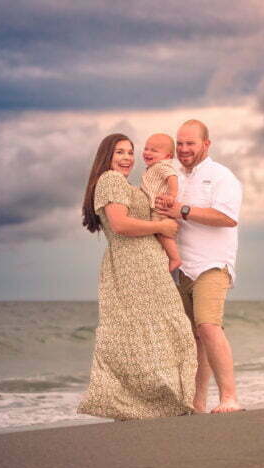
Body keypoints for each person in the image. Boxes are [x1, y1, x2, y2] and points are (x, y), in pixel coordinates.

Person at [77, 133, 197, 420]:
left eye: (130, 152)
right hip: (135, 265)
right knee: (162, 329)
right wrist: (163, 230)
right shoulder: (111, 180)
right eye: (120, 152)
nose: (128, 158)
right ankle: (154, 403)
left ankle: (153, 404)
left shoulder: (123, 184)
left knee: (145, 333)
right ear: (106, 156)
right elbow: (119, 224)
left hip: (142, 263)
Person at [155, 119, 243, 414]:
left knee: (208, 326)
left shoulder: (222, 176)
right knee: (193, 337)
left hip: (213, 264)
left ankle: (229, 397)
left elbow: (227, 217)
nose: (183, 149)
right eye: (179, 143)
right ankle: (197, 402)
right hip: (180, 268)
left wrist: (182, 209)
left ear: (206, 144)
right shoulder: (173, 176)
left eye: (190, 143)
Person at [140, 133, 182, 272]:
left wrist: (172, 195)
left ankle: (175, 258)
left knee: (162, 232)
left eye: (154, 150)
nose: (147, 152)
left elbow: (172, 177)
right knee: (157, 233)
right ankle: (167, 257)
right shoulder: (152, 168)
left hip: (160, 207)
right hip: (155, 207)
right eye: (146, 148)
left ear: (168, 156)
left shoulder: (161, 166)